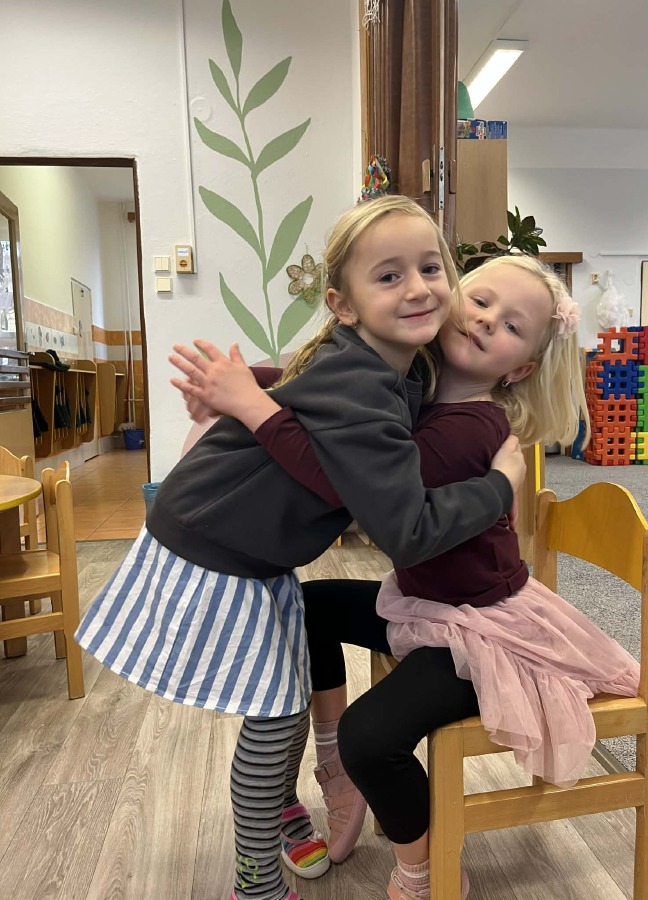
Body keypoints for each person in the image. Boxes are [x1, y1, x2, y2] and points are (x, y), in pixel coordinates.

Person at [76, 195, 525, 900]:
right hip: (218, 550)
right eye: (389, 275)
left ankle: (281, 813)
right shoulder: (366, 382)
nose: (416, 287)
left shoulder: (395, 363)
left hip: (241, 543)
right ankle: (256, 879)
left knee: (283, 698)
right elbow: (403, 528)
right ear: (343, 306)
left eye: (430, 267)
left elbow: (314, 422)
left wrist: (251, 390)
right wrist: (501, 486)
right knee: (277, 714)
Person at [174, 255, 648, 900]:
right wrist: (241, 383)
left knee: (373, 737)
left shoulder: (471, 426)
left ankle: (421, 873)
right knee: (308, 610)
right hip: (429, 603)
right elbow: (328, 394)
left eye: (512, 326)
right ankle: (335, 770)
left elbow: (353, 483)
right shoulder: (416, 384)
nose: (486, 321)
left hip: (483, 630)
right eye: (480, 300)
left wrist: (256, 408)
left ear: (520, 368)